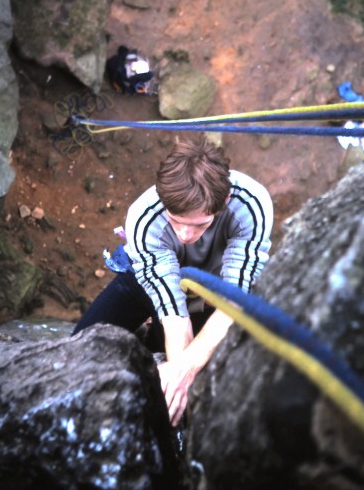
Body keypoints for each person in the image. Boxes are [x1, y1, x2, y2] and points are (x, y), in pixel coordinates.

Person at [73, 139, 273, 426]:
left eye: (199, 225)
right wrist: (180, 376)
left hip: (214, 290)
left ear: (225, 199)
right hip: (152, 278)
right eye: (176, 220)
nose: (184, 234)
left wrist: (185, 371)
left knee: (214, 377)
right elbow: (175, 316)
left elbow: (235, 299)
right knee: (76, 349)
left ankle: (152, 343)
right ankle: (149, 337)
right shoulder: (145, 217)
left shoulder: (250, 205)